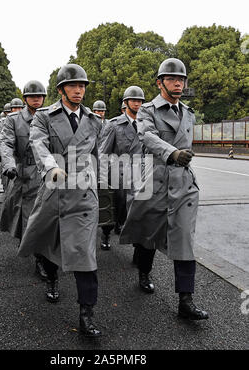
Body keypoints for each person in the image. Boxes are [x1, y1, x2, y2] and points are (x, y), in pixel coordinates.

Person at [120, 58, 209, 320]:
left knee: (184, 239)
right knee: (148, 235)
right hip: (155, 181)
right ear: (160, 83)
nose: (178, 83)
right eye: (172, 79)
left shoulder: (189, 113)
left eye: (181, 79)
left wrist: (181, 159)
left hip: (183, 184)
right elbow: (146, 136)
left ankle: (185, 300)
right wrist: (172, 153)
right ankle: (144, 272)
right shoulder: (148, 110)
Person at [18, 64, 102, 337]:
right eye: (73, 86)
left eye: (83, 86)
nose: (79, 90)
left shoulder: (94, 120)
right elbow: (38, 143)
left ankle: (86, 314)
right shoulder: (44, 117)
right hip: (54, 189)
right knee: (51, 246)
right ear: (61, 90)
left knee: (85, 256)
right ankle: (52, 280)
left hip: (84, 197)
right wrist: (51, 166)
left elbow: (98, 157)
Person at [0, 81, 48, 281]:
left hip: (47, 171)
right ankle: (38, 256)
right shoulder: (13, 120)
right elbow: (6, 142)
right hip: (23, 173)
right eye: (32, 96)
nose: (36, 99)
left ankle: (42, 256)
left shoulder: (49, 117)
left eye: (40, 95)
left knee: (46, 217)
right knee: (26, 216)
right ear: (26, 98)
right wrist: (9, 165)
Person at [99, 86, 145, 251]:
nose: (137, 104)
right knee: (115, 205)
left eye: (140, 101)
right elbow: (103, 152)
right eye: (133, 100)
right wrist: (102, 176)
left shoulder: (147, 124)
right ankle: (106, 232)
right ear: (126, 102)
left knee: (141, 208)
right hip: (119, 172)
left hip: (141, 171)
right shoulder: (114, 124)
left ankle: (138, 246)